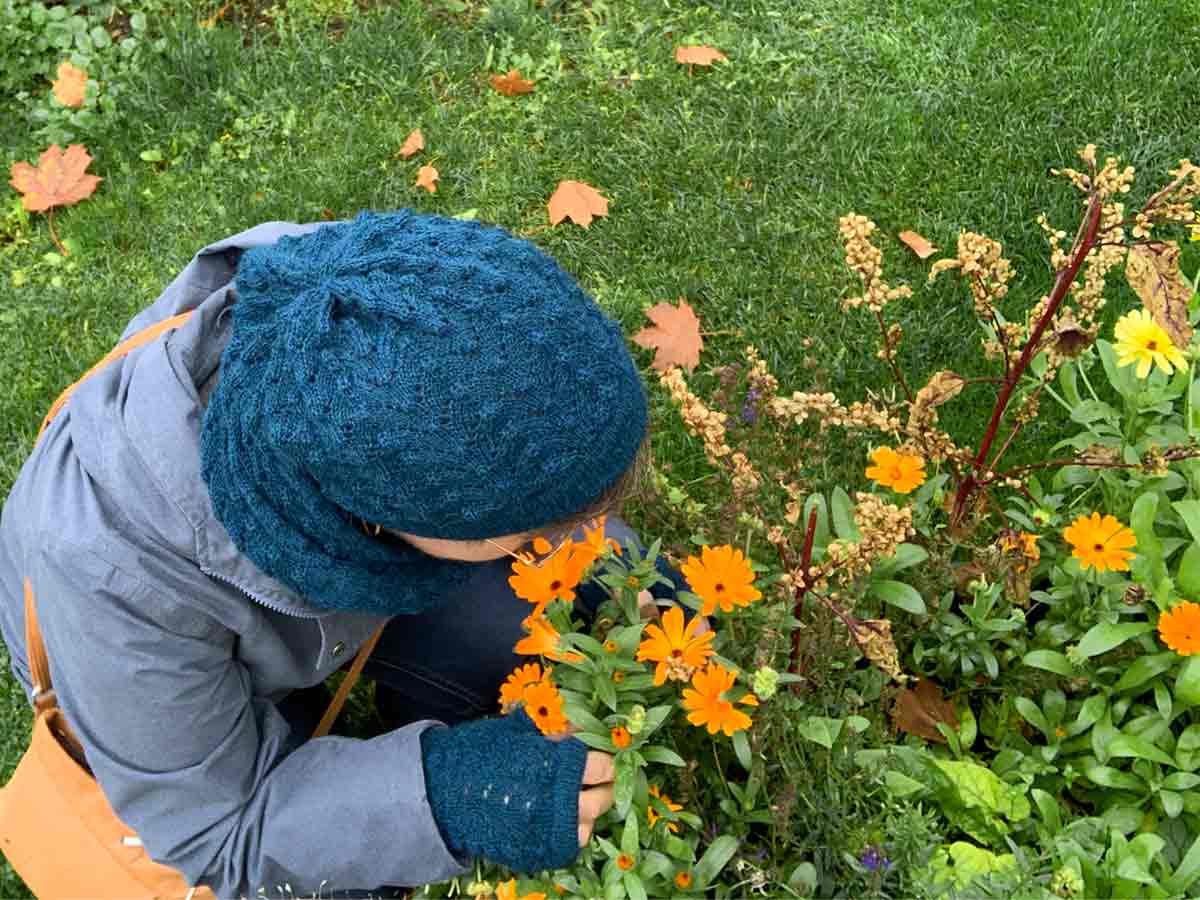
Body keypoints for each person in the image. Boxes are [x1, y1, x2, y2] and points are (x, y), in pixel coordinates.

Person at [0, 210, 692, 898]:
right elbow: (220, 828)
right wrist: (449, 795)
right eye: (535, 535)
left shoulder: (372, 299)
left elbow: (511, 439)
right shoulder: (117, 575)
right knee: (324, 874)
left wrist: (611, 564)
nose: (562, 547)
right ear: (389, 512)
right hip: (152, 674)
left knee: (509, 630)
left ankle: (414, 694)